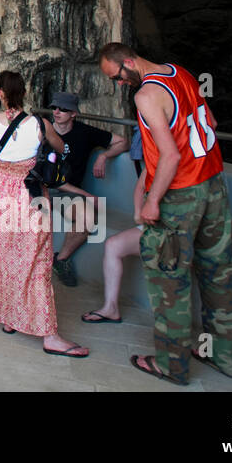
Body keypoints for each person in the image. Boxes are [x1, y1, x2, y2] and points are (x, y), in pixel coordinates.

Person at [98, 42, 232, 385]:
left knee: (169, 281)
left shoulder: (146, 95)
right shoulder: (181, 73)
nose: (119, 84)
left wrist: (151, 201)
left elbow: (171, 156)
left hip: (181, 194)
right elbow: (212, 122)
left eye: (117, 76)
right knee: (217, 273)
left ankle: (171, 365)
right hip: (214, 185)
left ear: (129, 62)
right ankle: (223, 356)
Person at [0, 70, 88, 358]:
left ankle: (10, 318)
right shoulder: (40, 123)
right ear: (24, 92)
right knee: (37, 259)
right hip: (32, 194)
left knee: (5, 254)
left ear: (0, 93)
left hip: (3, 191)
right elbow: (61, 148)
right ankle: (50, 335)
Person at [45, 92, 130, 286]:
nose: (57, 112)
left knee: (88, 217)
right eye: (54, 108)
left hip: (67, 195)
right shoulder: (43, 131)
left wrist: (103, 156)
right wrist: (86, 195)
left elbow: (122, 142)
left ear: (73, 113)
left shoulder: (84, 133)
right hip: (41, 189)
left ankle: (61, 260)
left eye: (63, 109)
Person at [82, 125, 144, 324]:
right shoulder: (157, 157)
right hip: (152, 224)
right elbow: (143, 183)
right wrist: (139, 212)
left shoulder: (172, 156)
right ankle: (111, 307)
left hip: (175, 225)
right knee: (113, 245)